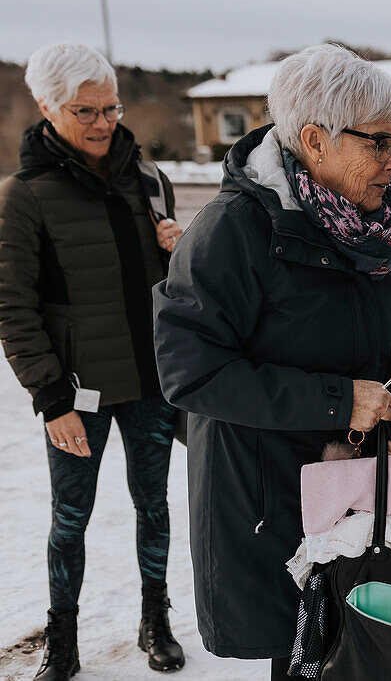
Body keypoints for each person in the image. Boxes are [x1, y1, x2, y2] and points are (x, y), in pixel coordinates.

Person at [151, 43, 391, 678]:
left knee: (367, 643)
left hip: (365, 487)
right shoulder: (233, 230)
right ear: (315, 140)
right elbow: (189, 372)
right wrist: (340, 400)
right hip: (267, 496)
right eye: (380, 144)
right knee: (302, 650)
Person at [0, 42, 186, 680]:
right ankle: (63, 639)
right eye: (86, 111)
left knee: (154, 505)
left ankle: (154, 619)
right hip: (75, 395)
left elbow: (179, 293)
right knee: (69, 520)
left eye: (111, 107)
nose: (104, 122)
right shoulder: (24, 195)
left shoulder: (151, 180)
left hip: (152, 386)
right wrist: (52, 401)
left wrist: (180, 253)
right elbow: (13, 309)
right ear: (49, 108)